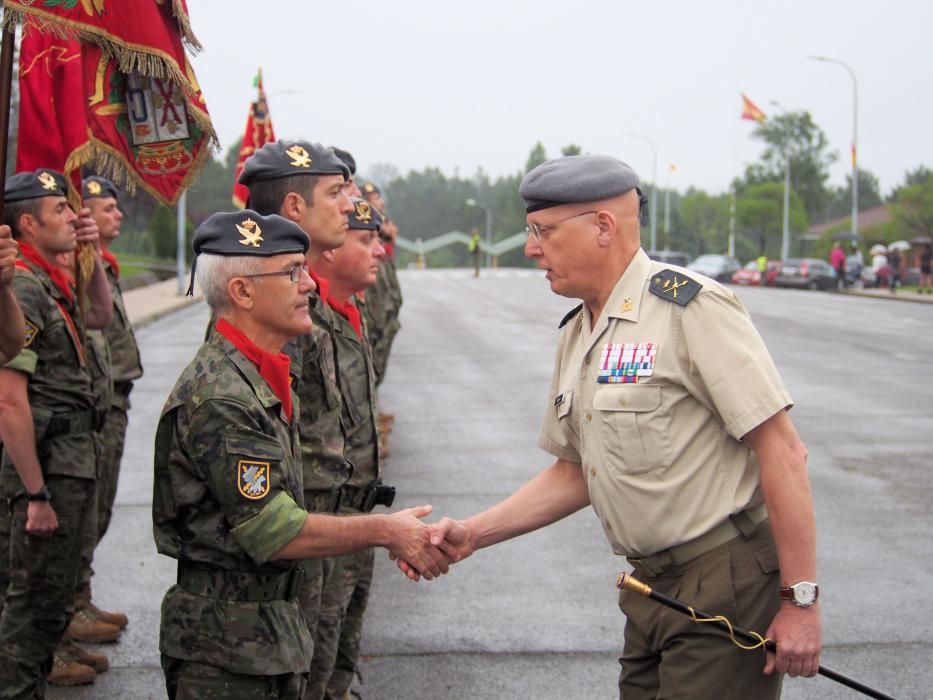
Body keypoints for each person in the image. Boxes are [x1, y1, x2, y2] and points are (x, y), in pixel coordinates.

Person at [410, 155, 821, 699]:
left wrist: (799, 603)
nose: (532, 247)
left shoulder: (689, 309)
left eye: (543, 231)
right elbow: (575, 471)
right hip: (650, 589)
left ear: (602, 226)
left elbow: (783, 453)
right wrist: (473, 535)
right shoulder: (580, 329)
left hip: (722, 579)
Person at [153, 210, 453, 699]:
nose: (309, 284)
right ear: (242, 292)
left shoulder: (258, 376)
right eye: (291, 271)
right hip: (227, 650)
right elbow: (273, 531)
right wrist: (384, 530)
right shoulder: (223, 397)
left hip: (262, 633)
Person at [0, 169, 114, 695]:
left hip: (72, 459)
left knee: (54, 598)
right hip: (47, 466)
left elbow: (99, 315)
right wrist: (36, 493)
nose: (75, 216)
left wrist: (90, 263)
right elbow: (9, 398)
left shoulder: (49, 279)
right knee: (32, 606)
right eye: (62, 211)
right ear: (27, 222)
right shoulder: (21, 285)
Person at [310, 198, 389, 698]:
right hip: (325, 517)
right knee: (316, 641)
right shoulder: (305, 322)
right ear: (333, 252)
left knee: (343, 631)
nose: (380, 251)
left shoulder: (350, 308)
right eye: (366, 240)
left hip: (358, 508)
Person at [68, 176, 143, 646]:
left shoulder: (106, 269)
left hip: (113, 397)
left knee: (99, 509)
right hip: (97, 400)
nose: (116, 215)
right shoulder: (78, 270)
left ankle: (80, 595)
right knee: (83, 514)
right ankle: (69, 608)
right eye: (106, 207)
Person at [0, 224, 24, 365]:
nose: (72, 218)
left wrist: (3, 288)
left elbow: (7, 349)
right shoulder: (26, 282)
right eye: (60, 209)